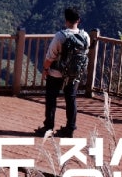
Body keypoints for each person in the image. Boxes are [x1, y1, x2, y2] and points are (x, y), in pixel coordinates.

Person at [34, 7, 90, 138]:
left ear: (66, 20)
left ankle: (48, 127)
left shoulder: (60, 36)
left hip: (56, 73)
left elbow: (50, 57)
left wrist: (45, 69)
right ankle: (70, 128)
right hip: (73, 75)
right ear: (78, 20)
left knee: (51, 100)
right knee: (71, 100)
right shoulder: (85, 36)